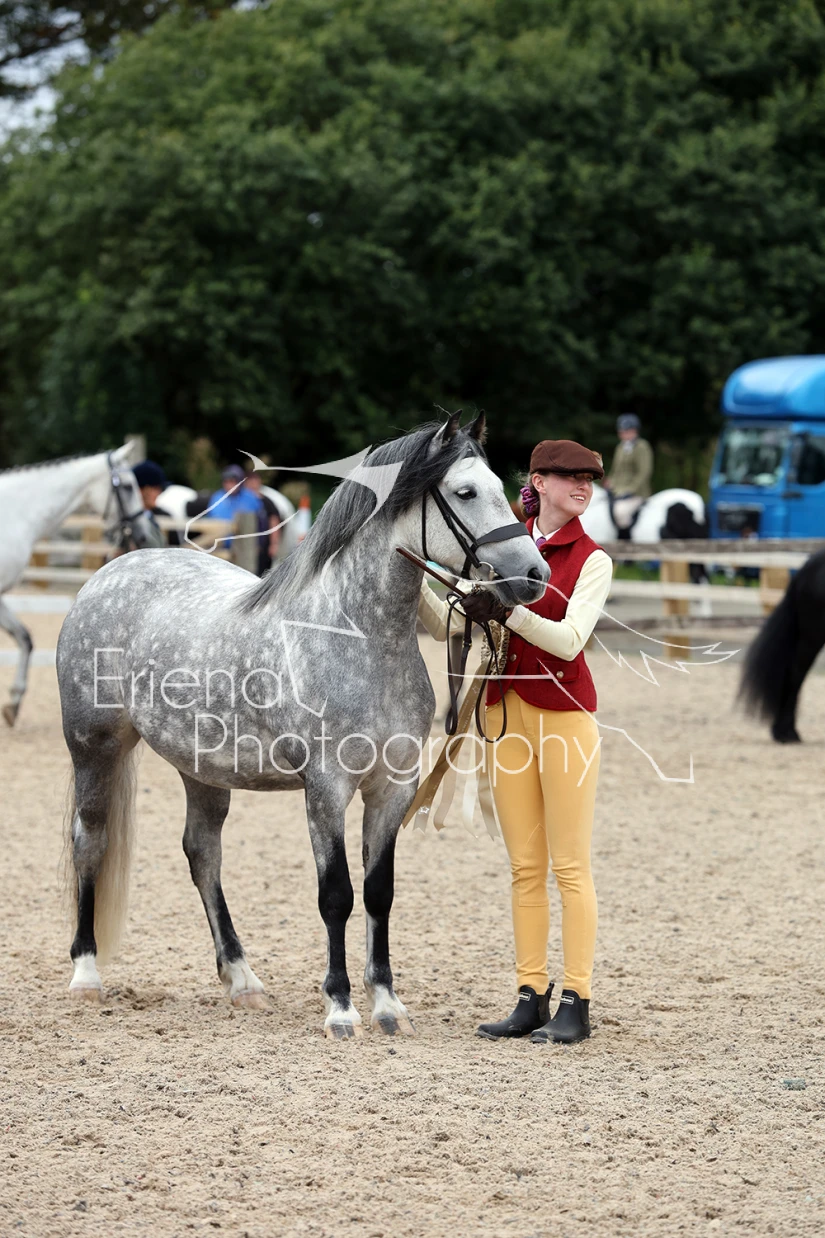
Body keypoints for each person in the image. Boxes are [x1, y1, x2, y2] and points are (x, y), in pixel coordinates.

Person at [417, 440, 612, 1044]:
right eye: (569, 476)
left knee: (570, 867)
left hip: (565, 721)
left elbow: (570, 640)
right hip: (504, 717)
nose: (582, 486)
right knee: (525, 868)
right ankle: (530, 995)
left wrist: (505, 612)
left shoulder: (593, 559)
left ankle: (577, 999)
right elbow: (448, 623)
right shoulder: (501, 547)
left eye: (588, 479)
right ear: (539, 482)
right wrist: (416, 576)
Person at [604, 414, 654, 537]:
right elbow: (616, 470)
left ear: (635, 431)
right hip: (617, 490)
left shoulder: (642, 447)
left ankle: (625, 542)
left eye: (627, 431)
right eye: (621, 431)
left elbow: (644, 472)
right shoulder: (620, 447)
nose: (623, 434)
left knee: (620, 512)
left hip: (636, 493)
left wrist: (631, 490)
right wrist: (610, 482)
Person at [207, 464, 266, 551]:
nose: (229, 485)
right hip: (220, 548)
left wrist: (260, 544)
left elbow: (262, 523)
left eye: (232, 481)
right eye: (226, 481)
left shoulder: (250, 498)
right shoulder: (216, 498)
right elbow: (209, 521)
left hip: (245, 549)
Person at [244, 471, 282, 576]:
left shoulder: (267, 502)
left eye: (254, 481)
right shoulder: (241, 502)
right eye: (250, 481)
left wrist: (274, 544)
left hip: (263, 547)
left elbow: (274, 522)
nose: (252, 484)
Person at [131, 460, 175, 547]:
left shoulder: (157, 516)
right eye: (155, 489)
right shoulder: (130, 522)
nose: (159, 493)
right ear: (141, 490)